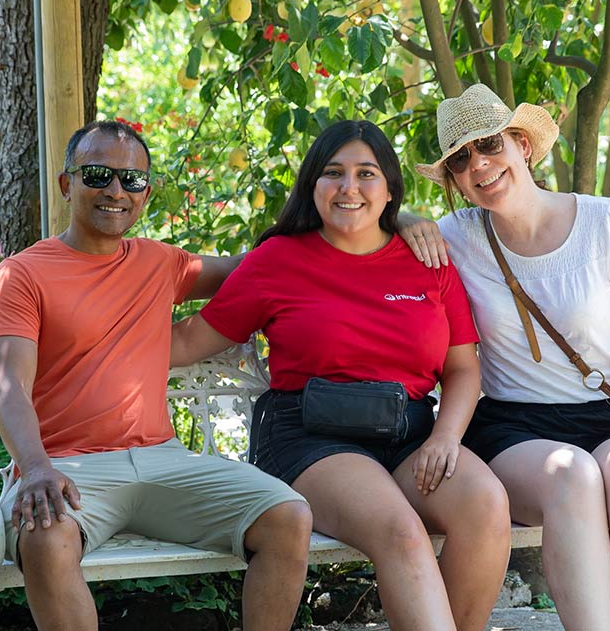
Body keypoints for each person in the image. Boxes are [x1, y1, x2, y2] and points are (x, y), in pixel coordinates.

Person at [170, 120, 512, 631]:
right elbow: (186, 341)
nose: (349, 187)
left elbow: (464, 368)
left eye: (366, 174)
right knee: (400, 530)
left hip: (409, 434)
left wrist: (445, 438)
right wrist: (84, 333)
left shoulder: (428, 260)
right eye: (333, 173)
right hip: (310, 438)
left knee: (485, 505)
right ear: (313, 185)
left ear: (390, 188)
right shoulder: (278, 261)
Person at [0, 120, 314, 631]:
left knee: (287, 517)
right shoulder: (23, 274)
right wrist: (35, 467)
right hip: (71, 470)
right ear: (67, 184)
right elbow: (10, 388)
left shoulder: (160, 263)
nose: (116, 191)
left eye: (131, 180)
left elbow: (264, 265)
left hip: (163, 461)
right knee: (44, 534)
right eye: (98, 175)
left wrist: (395, 220)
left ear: (146, 194)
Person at [411, 83, 610, 631]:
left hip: (607, 415)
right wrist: (402, 221)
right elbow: (374, 226)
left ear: (522, 145)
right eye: (461, 160)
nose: (480, 165)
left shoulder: (605, 223)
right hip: (513, 427)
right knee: (573, 476)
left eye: (490, 145)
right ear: (455, 182)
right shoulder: (455, 237)